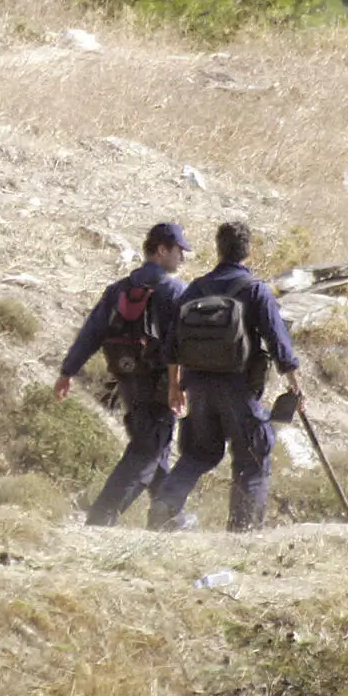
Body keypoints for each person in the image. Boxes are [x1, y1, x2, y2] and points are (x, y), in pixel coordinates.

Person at [147, 220, 304, 533]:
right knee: (253, 459)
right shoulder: (254, 290)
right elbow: (278, 343)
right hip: (239, 389)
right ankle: (243, 532)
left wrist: (175, 387)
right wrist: (296, 387)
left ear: (219, 250)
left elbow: (171, 345)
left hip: (198, 388)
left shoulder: (196, 288)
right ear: (248, 252)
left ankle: (165, 505)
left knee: (197, 454)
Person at [54, 221, 192, 526]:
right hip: (160, 383)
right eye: (178, 250)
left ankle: (170, 517)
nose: (182, 257)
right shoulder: (174, 291)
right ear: (161, 250)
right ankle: (101, 517)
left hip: (128, 381)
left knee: (154, 447)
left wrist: (68, 372)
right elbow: (178, 344)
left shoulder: (119, 290)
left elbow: (91, 333)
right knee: (147, 451)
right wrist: (176, 384)